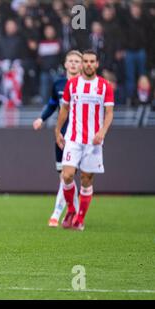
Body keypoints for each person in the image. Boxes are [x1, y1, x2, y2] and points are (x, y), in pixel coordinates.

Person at [55, 49, 114, 231]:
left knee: (86, 179)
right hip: (73, 138)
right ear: (82, 64)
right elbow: (64, 110)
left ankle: (80, 219)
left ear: (96, 64)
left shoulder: (104, 86)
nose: (88, 64)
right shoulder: (72, 85)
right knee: (67, 175)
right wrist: (58, 130)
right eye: (85, 61)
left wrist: (102, 132)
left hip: (93, 141)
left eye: (91, 61)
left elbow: (109, 113)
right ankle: (72, 210)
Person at [33, 50, 82, 228]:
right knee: (65, 177)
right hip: (61, 135)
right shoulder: (59, 84)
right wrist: (41, 118)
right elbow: (53, 104)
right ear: (66, 64)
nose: (74, 64)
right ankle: (75, 214)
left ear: (82, 65)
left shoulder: (87, 85)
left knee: (71, 177)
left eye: (78, 61)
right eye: (71, 61)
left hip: (80, 137)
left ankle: (57, 213)